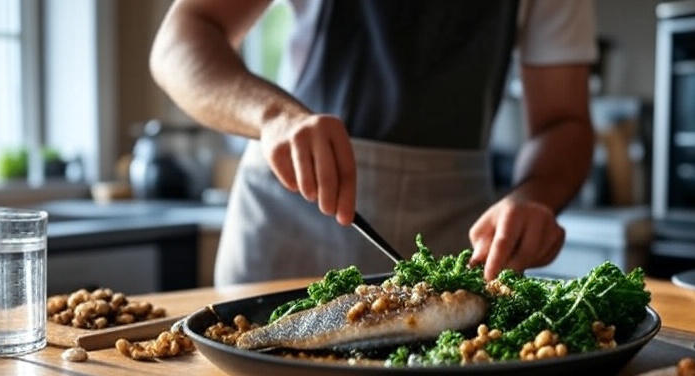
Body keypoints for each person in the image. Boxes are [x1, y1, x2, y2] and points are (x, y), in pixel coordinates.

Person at [151, 0, 595, 285]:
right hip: (291, 223)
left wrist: (534, 199)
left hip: (454, 234)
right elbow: (180, 40)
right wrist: (273, 117)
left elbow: (564, 123)